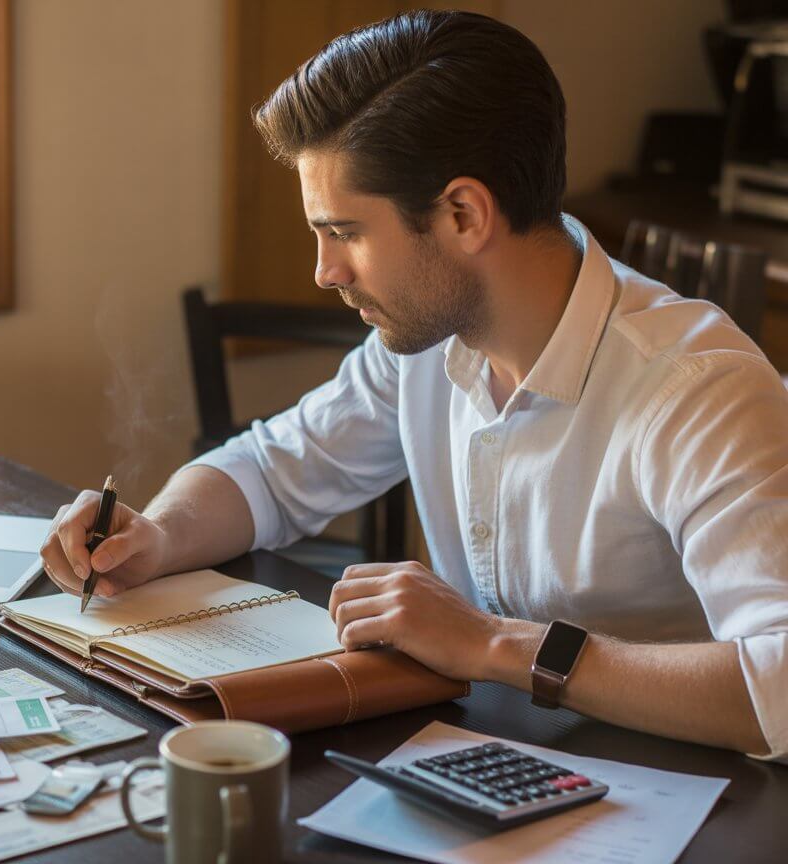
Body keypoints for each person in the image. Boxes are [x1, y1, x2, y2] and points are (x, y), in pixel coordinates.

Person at [40, 10, 788, 759]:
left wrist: (494, 645)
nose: (325, 271)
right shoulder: (422, 347)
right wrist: (161, 534)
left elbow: (781, 685)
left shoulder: (698, 390)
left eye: (345, 232)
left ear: (464, 214)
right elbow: (272, 469)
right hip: (504, 761)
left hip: (696, 806)